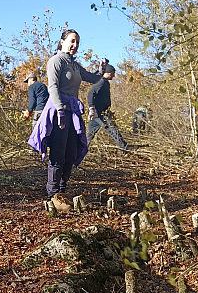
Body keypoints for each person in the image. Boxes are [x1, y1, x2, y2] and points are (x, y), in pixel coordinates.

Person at [28, 29, 105, 212]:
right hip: (57, 111)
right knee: (58, 153)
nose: (75, 45)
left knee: (72, 152)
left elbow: (91, 78)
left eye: (77, 42)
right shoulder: (56, 61)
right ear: (62, 42)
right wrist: (60, 110)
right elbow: (52, 87)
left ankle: (62, 191)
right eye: (72, 41)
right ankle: (53, 195)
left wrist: (101, 70)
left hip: (72, 113)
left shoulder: (74, 64)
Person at [86, 63, 128, 150]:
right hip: (100, 113)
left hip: (101, 113)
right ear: (108, 73)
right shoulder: (101, 82)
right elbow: (91, 93)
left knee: (90, 134)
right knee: (112, 129)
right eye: (113, 74)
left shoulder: (105, 82)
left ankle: (80, 150)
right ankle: (124, 148)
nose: (113, 76)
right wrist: (91, 107)